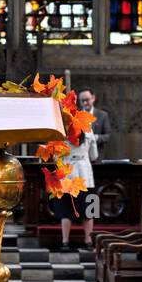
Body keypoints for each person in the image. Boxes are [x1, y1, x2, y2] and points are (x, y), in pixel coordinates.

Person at [51, 102, 98, 250]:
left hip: (67, 175)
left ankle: (65, 242)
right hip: (85, 176)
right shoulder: (88, 131)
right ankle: (88, 241)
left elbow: (55, 157)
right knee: (89, 210)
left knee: (66, 210)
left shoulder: (61, 131)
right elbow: (94, 156)